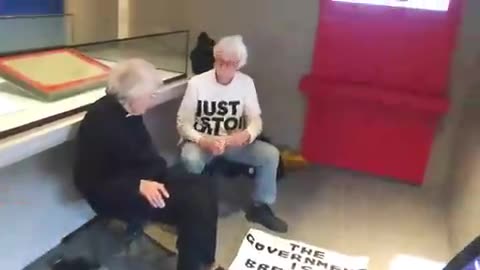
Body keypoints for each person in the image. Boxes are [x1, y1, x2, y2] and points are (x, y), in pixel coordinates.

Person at [73, 59, 222, 270]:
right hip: (119, 193)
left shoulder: (127, 110)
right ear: (133, 94)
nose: (152, 102)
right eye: (150, 96)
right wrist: (137, 185)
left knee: (204, 185)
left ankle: (205, 262)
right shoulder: (101, 122)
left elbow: (140, 157)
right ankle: (197, 264)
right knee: (194, 203)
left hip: (147, 178)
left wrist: (150, 177)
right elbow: (89, 181)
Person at [177, 35, 288, 233]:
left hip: (234, 143)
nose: (225, 67)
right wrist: (203, 140)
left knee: (270, 154)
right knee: (190, 157)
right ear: (215, 59)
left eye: (231, 63)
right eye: (221, 62)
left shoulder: (246, 83)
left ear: (239, 64)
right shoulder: (197, 83)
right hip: (203, 142)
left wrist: (247, 134)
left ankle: (260, 206)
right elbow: (183, 123)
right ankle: (193, 209)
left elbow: (256, 119)